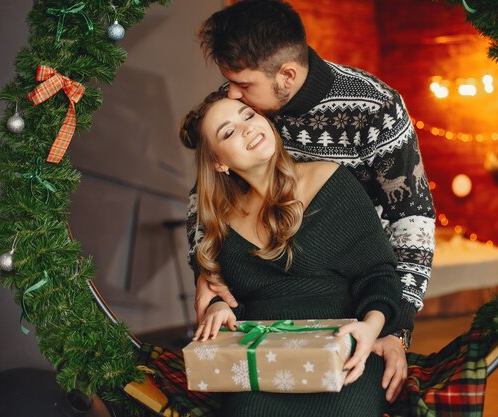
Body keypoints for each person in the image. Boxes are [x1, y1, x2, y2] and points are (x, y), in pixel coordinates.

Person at [183, 0, 436, 402]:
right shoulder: (237, 106)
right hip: (269, 308)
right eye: (228, 83)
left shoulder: (374, 107)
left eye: (243, 85)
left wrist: (394, 327)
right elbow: (205, 201)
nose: (232, 94)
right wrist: (209, 277)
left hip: (358, 297)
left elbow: (412, 221)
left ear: (286, 74)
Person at [180, 90, 401, 417]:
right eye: (228, 132)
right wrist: (216, 307)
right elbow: (220, 288)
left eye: (248, 115)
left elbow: (379, 274)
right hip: (263, 364)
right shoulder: (220, 221)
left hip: (341, 351)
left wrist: (371, 328)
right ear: (219, 162)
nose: (246, 129)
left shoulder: (331, 180)